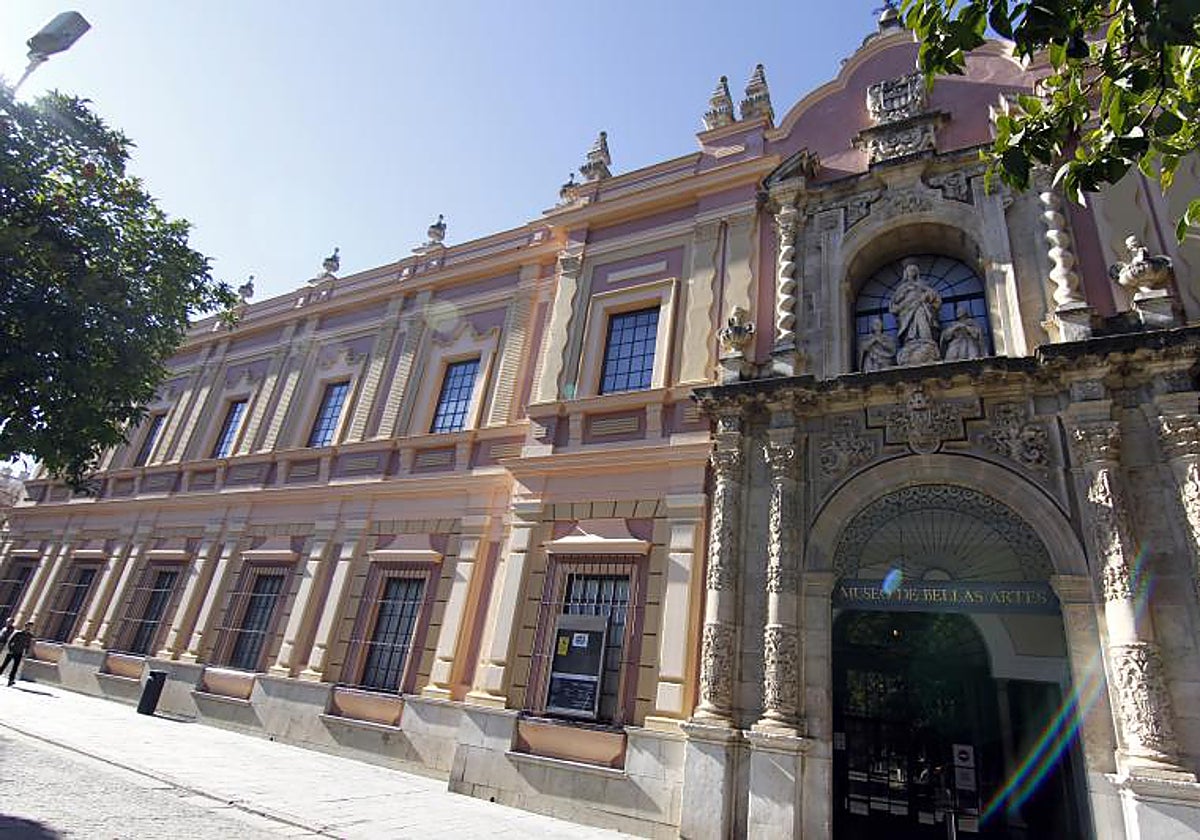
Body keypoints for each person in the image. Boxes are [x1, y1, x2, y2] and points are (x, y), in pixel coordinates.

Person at [889, 262, 942, 347]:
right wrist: (905, 291)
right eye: (910, 270)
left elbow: (933, 295)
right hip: (906, 310)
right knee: (910, 325)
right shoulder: (902, 287)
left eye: (914, 270)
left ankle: (925, 338)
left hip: (921, 306)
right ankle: (910, 339)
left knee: (922, 319)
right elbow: (895, 301)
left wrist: (926, 295)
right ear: (906, 273)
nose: (912, 272)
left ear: (917, 272)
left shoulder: (922, 283)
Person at [1, 622, 34, 686]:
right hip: (12, 651)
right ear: (25, 626)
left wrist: (26, 652)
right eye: (28, 626)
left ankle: (11, 680)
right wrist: (10, 649)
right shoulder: (18, 633)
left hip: (19, 653)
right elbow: (10, 641)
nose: (29, 628)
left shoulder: (29, 635)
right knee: (4, 665)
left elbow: (28, 645)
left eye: (30, 627)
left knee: (15, 668)